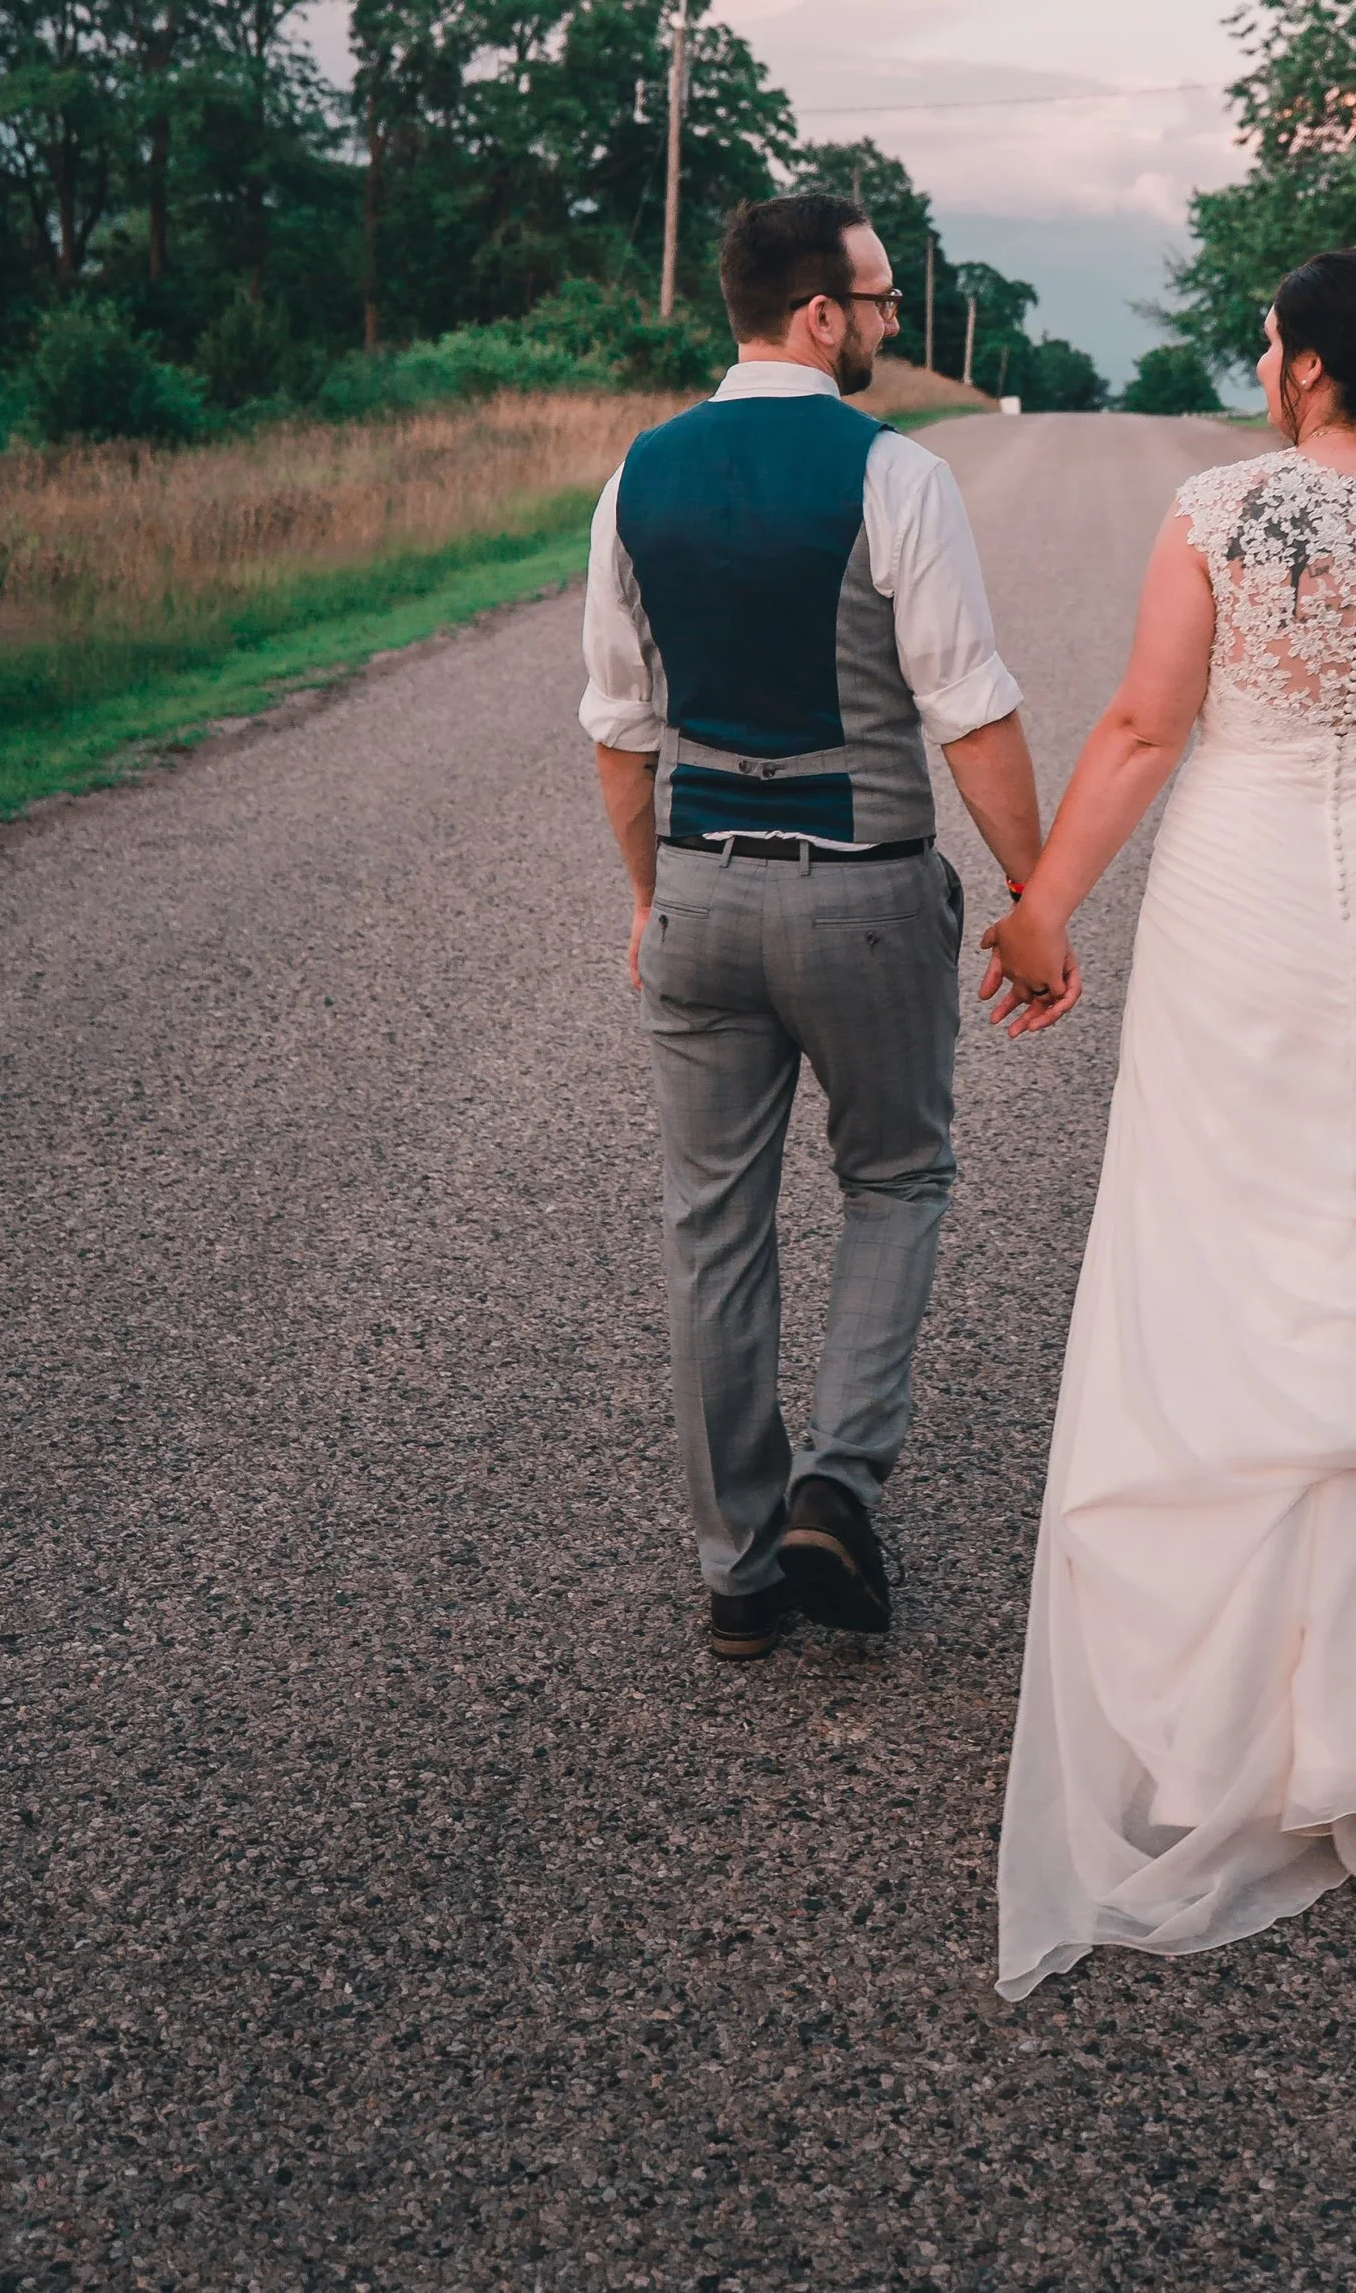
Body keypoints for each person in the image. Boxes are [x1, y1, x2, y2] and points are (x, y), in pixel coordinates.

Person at [982, 247, 1356, 1995]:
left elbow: (1151, 722)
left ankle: (1221, 1694)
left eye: (1271, 342)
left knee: (1235, 1241)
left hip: (1246, 892)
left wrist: (1045, 902)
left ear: (1305, 368)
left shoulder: (1219, 512)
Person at [581, 191, 1074, 1664]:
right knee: (897, 1174)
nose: (885, 322)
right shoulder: (894, 476)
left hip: (704, 892)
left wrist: (649, 898)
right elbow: (969, 708)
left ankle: (736, 1567)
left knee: (713, 1225)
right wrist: (1033, 897)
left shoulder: (636, 478)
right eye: (872, 299)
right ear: (817, 315)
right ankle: (837, 1490)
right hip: (862, 888)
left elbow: (621, 725)